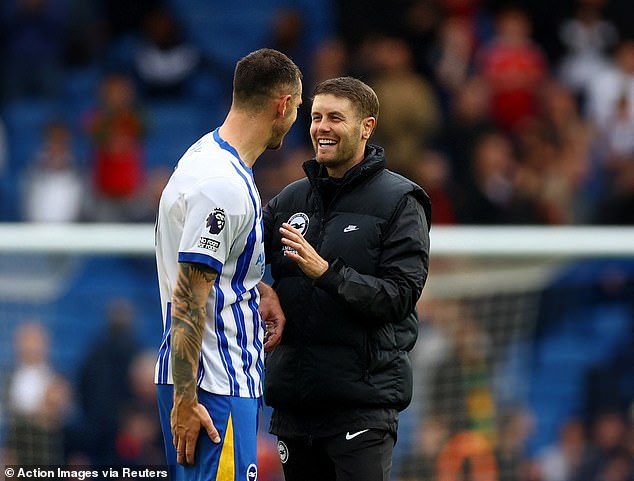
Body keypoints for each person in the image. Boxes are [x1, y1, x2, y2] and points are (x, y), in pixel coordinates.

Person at [262, 76, 432, 481]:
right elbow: (240, 259)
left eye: (335, 118)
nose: (322, 127)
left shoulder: (401, 202)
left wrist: (327, 274)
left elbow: (400, 295)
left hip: (362, 405)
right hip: (295, 404)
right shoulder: (288, 200)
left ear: (366, 127)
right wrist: (262, 288)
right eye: (316, 116)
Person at [154, 48, 302, 480]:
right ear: (282, 104)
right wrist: (185, 397)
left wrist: (256, 287)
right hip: (212, 383)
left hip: (205, 380)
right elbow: (187, 297)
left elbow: (210, 269)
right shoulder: (223, 185)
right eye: (297, 108)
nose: (295, 121)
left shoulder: (206, 156)